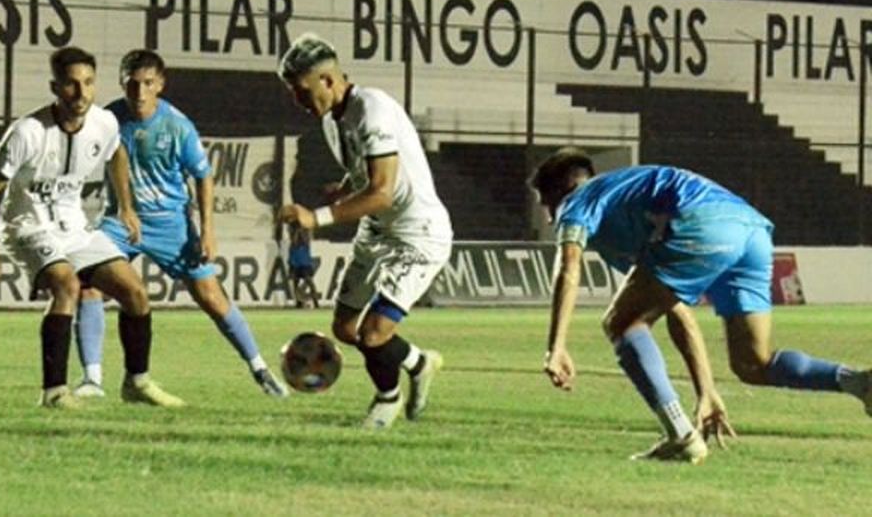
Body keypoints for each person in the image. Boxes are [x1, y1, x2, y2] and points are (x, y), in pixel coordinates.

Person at [533, 147, 872, 463]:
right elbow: (680, 314)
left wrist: (557, 346)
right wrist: (705, 391)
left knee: (621, 323)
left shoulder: (580, 199)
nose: (550, 219)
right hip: (750, 229)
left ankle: (680, 435)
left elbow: (568, 266)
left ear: (562, 188)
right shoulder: (628, 205)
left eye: (546, 203)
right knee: (753, 363)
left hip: (700, 219)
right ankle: (859, 382)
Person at [0, 46, 184, 409]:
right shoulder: (29, 132)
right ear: (55, 87)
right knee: (67, 285)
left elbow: (116, 153)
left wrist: (127, 208)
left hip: (74, 227)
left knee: (135, 292)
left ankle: (137, 382)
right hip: (28, 226)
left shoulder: (104, 123)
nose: (82, 93)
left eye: (88, 83)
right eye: (71, 85)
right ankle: (54, 392)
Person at [72, 49, 288, 399]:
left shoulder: (177, 125)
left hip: (172, 225)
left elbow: (203, 177)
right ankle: (92, 380)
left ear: (160, 84)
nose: (139, 93)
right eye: (132, 84)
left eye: (147, 84)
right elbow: (108, 157)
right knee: (89, 283)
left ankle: (260, 369)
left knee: (211, 296)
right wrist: (123, 207)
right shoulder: (108, 118)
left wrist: (207, 231)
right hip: (121, 222)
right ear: (122, 82)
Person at [276, 33, 451, 429]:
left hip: (417, 236)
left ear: (327, 80)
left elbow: (383, 192)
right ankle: (419, 364)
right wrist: (346, 185)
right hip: (376, 232)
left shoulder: (373, 109)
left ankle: (386, 402)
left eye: (301, 91)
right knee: (344, 328)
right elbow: (368, 174)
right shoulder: (331, 120)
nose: (297, 100)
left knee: (374, 332)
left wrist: (316, 216)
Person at [286, 225, 320, 308]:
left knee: (309, 282)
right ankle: (298, 302)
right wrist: (297, 231)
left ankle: (316, 302)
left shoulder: (305, 233)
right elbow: (294, 242)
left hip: (304, 261)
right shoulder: (293, 230)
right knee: (295, 283)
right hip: (295, 260)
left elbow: (305, 241)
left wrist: (300, 231)